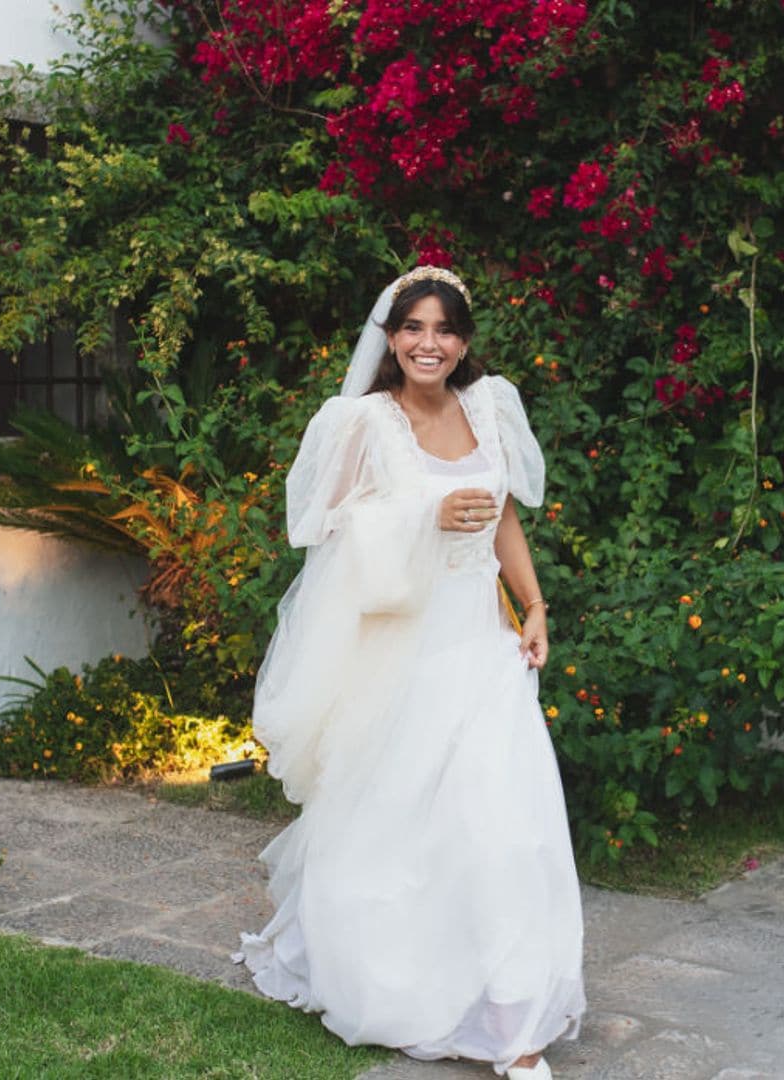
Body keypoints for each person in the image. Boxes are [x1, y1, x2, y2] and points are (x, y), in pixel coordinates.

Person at [234, 267, 586, 1079]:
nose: (430, 343)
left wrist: (532, 605)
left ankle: (512, 1016)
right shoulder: (362, 422)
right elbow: (320, 529)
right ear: (391, 338)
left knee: (503, 823)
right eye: (414, 328)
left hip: (483, 645)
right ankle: (390, 978)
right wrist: (419, 516)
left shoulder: (488, 405)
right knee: (392, 825)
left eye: (446, 330)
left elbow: (501, 515)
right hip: (403, 649)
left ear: (464, 342)